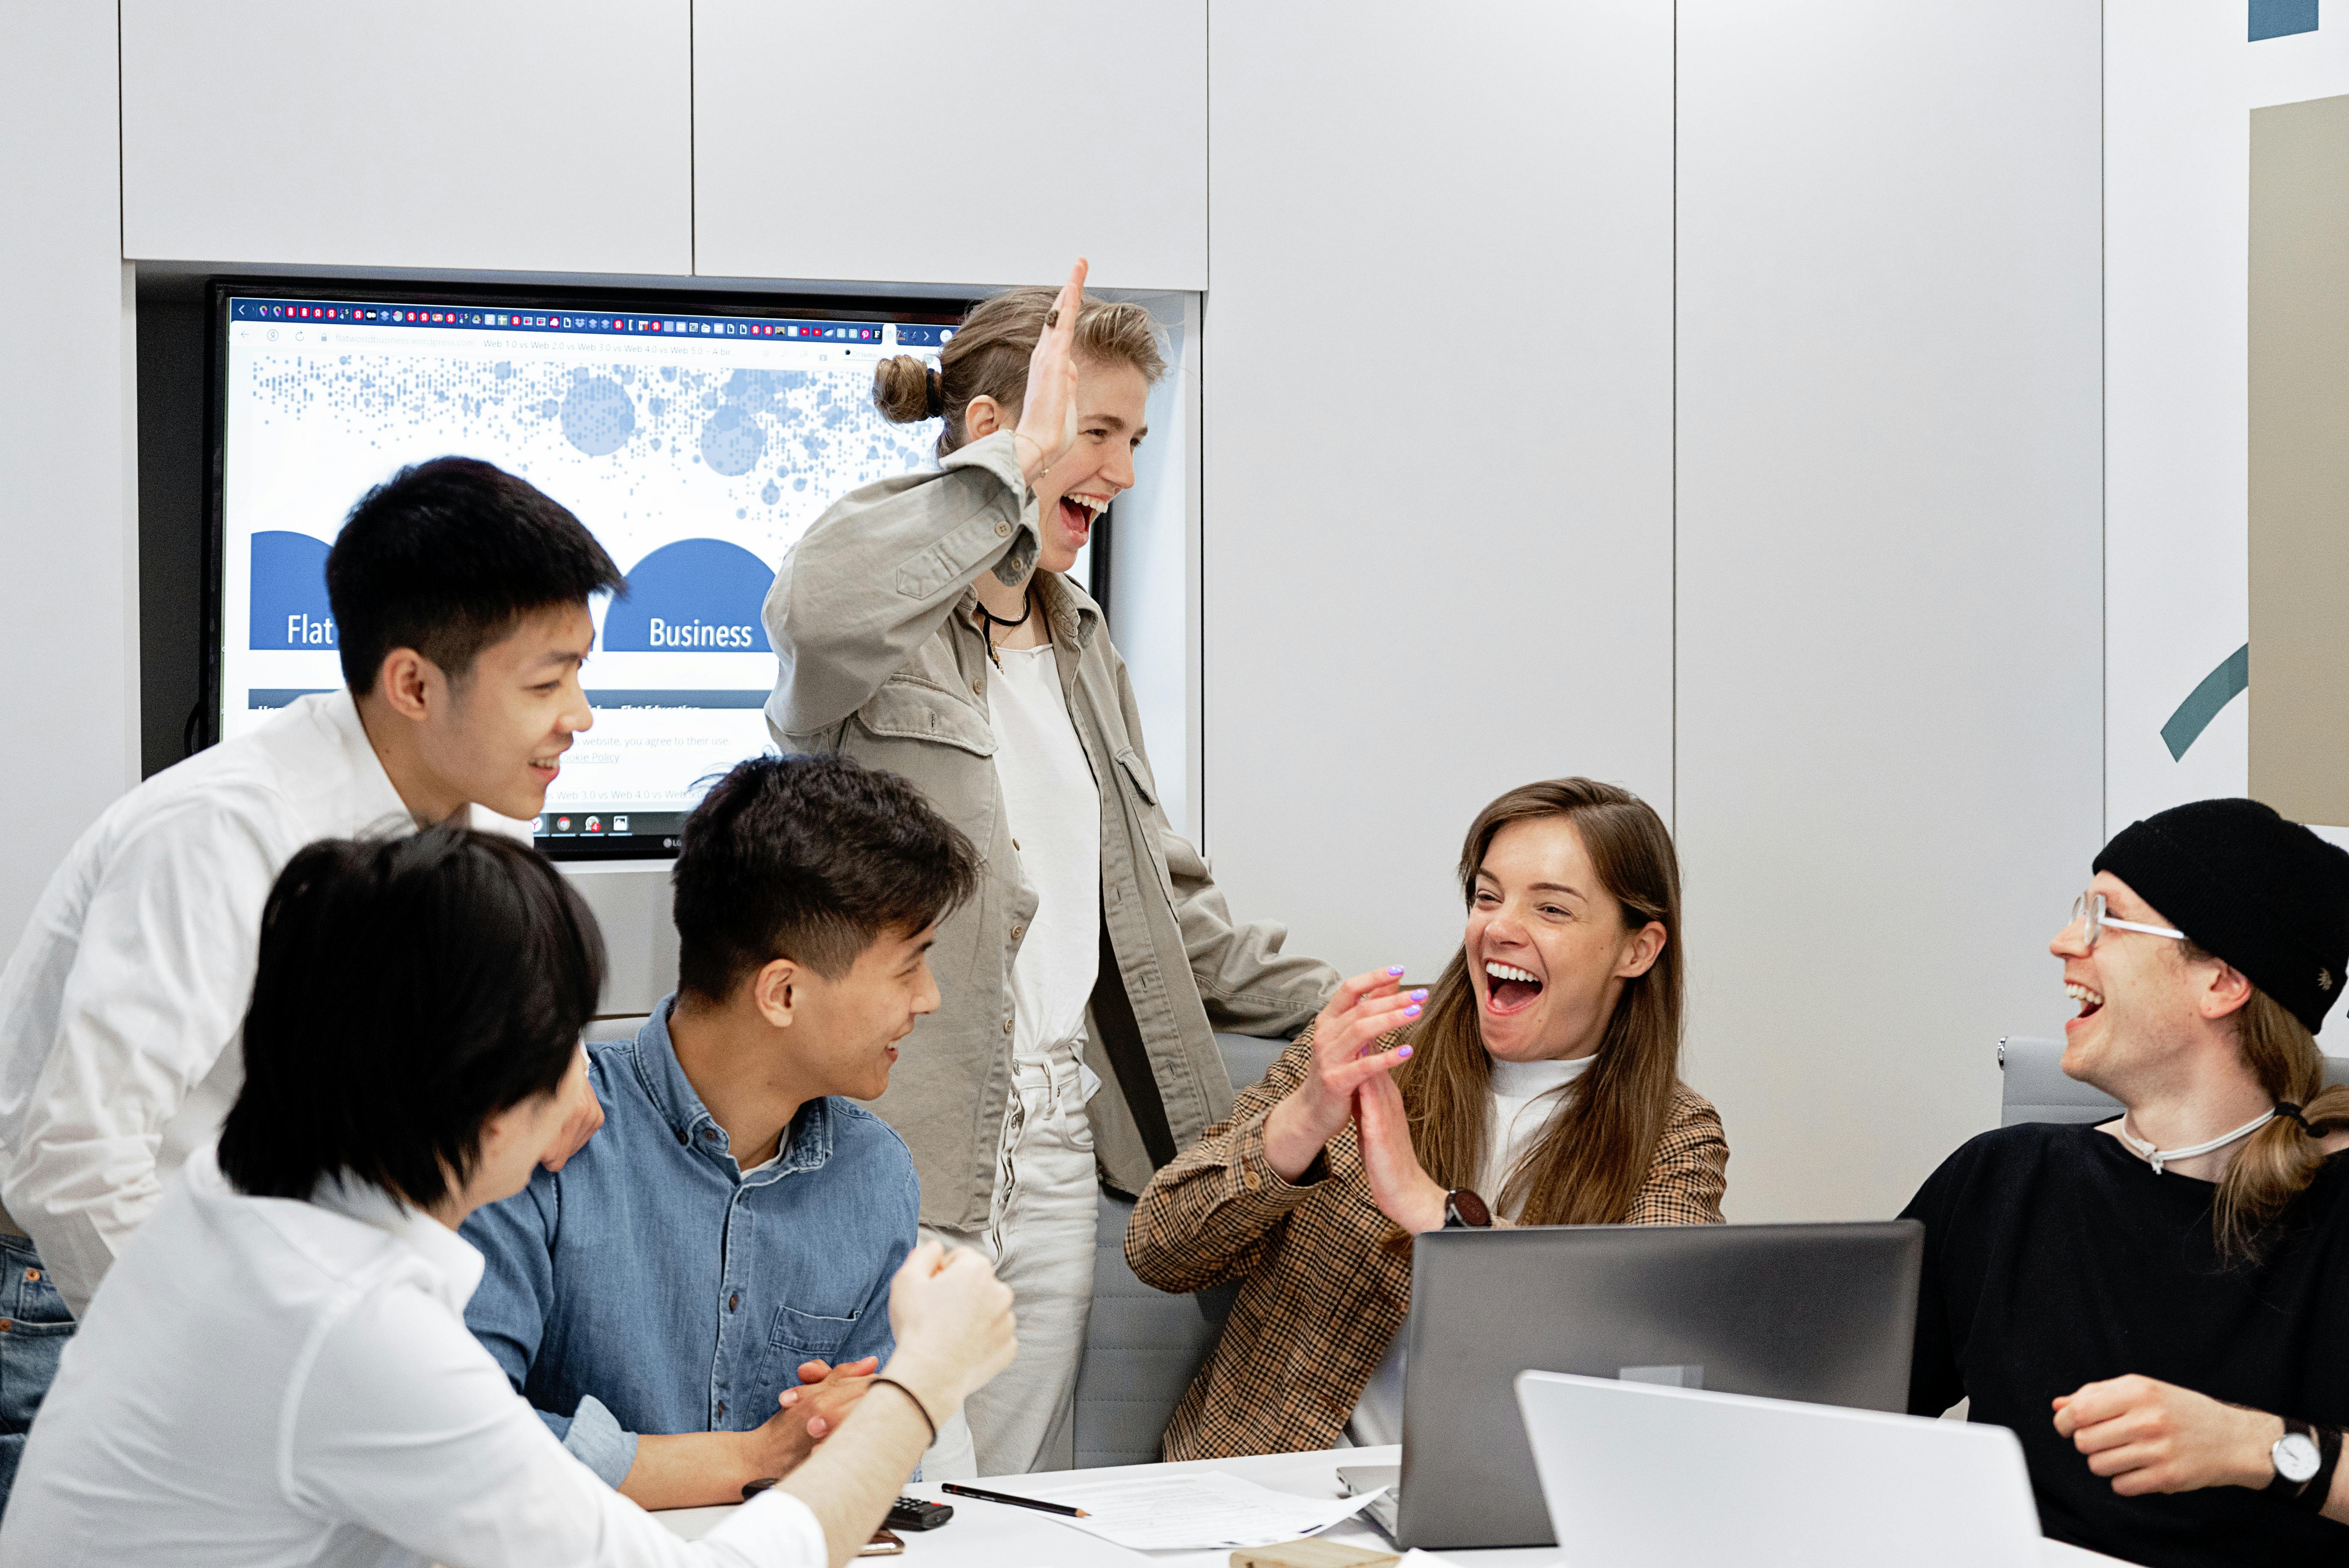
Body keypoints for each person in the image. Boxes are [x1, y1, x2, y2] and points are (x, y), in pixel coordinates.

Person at [0, 825, 1014, 1568]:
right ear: (478, 1097)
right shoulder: (350, 1326)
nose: (590, 1080)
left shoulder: (239, 1208)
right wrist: (924, 1375)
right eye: (559, 1042)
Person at [762, 260, 1337, 1475]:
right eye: (1097, 433)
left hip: (1056, 1146)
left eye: (1134, 436)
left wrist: (1363, 1006)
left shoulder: (1080, 643)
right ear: (997, 430)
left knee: (1013, 1497)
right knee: (896, 1486)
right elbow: (812, 612)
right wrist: (1000, 474)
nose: (1123, 473)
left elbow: (1163, 913)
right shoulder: (877, 631)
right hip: (900, 1142)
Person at [0, 456, 616, 1505]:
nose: (581, 715)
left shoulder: (467, 816)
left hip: (299, 1293)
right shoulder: (221, 832)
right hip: (92, 1299)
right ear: (414, 683)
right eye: (546, 683)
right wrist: (217, 1372)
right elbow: (69, 1157)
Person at [1126, 777, 1730, 1459]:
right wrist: (1300, 1122)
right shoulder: (1372, 1045)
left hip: (1504, 1511)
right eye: (1486, 896)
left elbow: (1653, 1344)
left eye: (1552, 910)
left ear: (1637, 949)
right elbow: (1159, 1251)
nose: (1499, 928)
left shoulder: (1674, 1133)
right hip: (1266, 1499)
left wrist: (1435, 1212)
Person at [462, 752, 980, 1507]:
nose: (928, 1000)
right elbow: (465, 1441)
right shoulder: (547, 1136)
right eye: (908, 968)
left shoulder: (875, 1174)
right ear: (783, 992)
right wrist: (755, 1457)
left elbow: (873, 1458)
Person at [1903, 798, 2349, 1565]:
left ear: (2220, 982)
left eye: (2104, 919)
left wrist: (2250, 1445)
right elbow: (1834, 1406)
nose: (2061, 943)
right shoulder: (2000, 1182)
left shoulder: (2338, 1209)